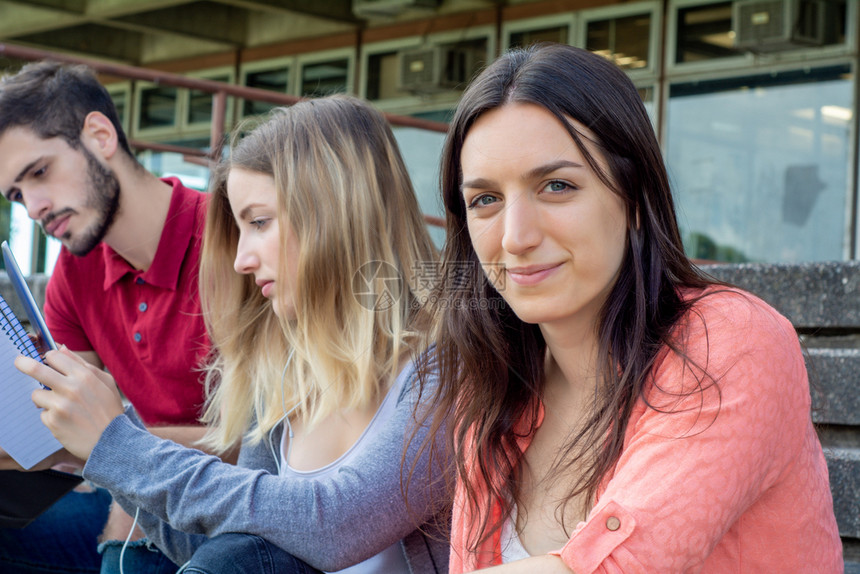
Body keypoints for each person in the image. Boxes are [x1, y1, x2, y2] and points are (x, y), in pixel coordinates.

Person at [421, 43, 842, 573]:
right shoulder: (497, 385)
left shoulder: (732, 341)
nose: (515, 238)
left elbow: (619, 565)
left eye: (556, 186)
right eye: (485, 199)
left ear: (636, 199)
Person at [16, 94, 450, 574]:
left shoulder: (448, 362)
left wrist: (117, 443)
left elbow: (334, 523)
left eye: (259, 223)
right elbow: (222, 547)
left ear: (337, 211)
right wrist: (101, 448)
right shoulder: (285, 368)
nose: (242, 259)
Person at [0, 61, 212, 573]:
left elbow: (268, 452)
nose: (34, 207)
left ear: (99, 135)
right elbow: (61, 433)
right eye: (17, 194)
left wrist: (109, 440)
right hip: (137, 503)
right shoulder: (76, 271)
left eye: (40, 172)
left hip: (234, 518)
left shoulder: (233, 245)